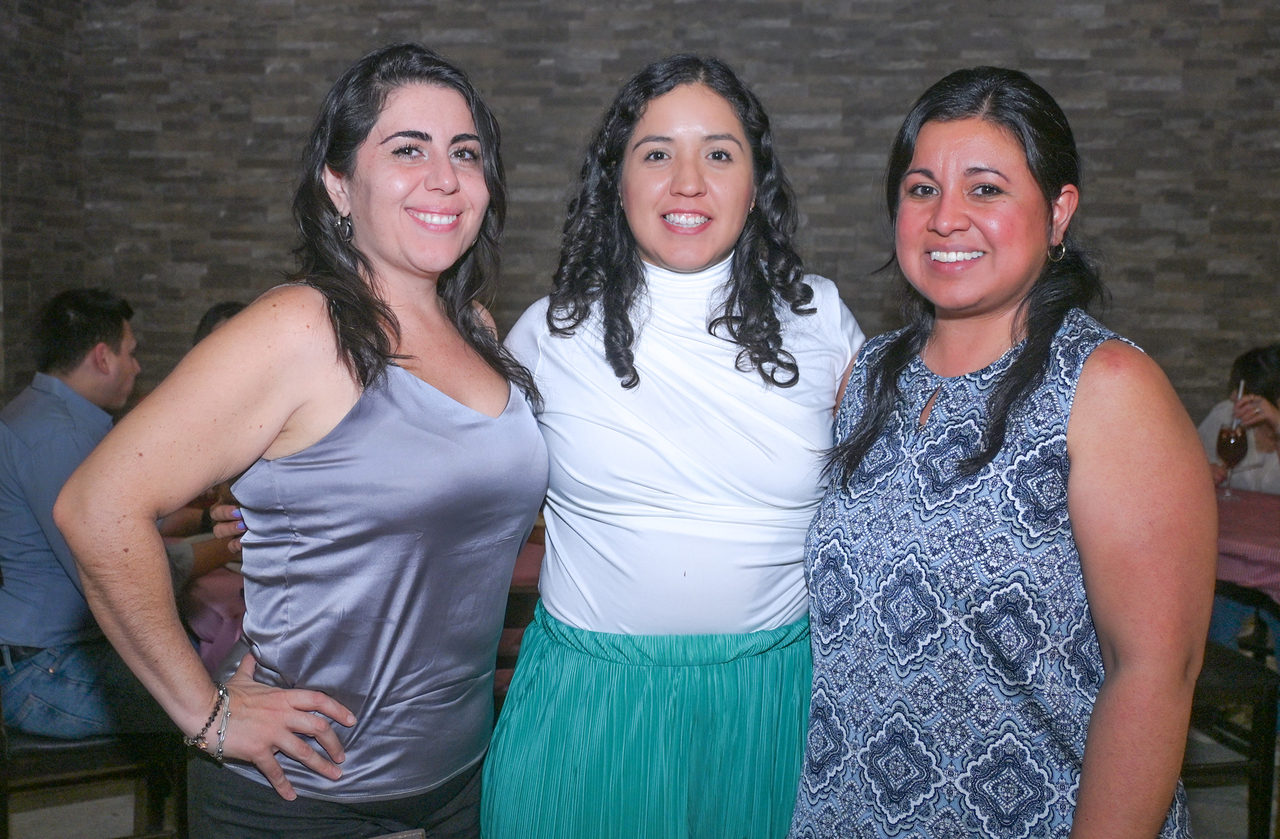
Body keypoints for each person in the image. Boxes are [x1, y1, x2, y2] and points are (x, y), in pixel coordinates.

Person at [55, 43, 547, 839]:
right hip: (303, 796)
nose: (445, 177)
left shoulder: (480, 330)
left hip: (461, 777)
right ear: (338, 183)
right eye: (407, 149)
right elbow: (96, 507)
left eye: (465, 152)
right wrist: (207, 714)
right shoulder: (303, 328)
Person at [790, 67, 1216, 838]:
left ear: (1058, 212)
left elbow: (1155, 673)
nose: (946, 217)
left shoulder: (1105, 389)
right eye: (922, 189)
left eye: (985, 189)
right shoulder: (869, 377)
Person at [481, 55, 865, 839]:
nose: (688, 182)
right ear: (616, 183)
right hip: (588, 705)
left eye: (719, 153)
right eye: (657, 153)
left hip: (773, 706)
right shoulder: (547, 334)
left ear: (755, 185)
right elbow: (450, 507)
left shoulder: (821, 318)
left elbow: (889, 503)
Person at [0, 288, 175, 738]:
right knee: (209, 713)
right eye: (130, 353)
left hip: (45, 655)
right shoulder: (58, 435)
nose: (136, 367)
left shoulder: (45, 414)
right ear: (102, 357)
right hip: (40, 668)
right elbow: (111, 572)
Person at [1197, 344, 1280, 494]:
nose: (1233, 397)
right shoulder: (1225, 415)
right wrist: (1203, 473)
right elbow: (1183, 467)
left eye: (1246, 392)